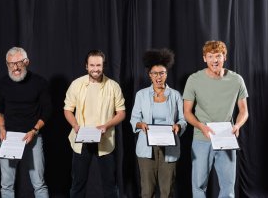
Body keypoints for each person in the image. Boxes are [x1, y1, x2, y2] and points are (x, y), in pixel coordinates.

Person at [183, 40, 249, 198]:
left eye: (218, 56)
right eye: (210, 56)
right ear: (204, 58)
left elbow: (244, 110)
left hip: (226, 138)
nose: (215, 60)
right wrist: (201, 126)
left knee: (228, 187)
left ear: (224, 57)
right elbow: (186, 112)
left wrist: (238, 125)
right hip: (201, 138)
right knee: (198, 185)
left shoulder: (237, 80)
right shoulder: (194, 79)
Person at [64, 49, 126, 198]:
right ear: (86, 66)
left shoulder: (113, 86)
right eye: (92, 65)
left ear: (103, 66)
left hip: (105, 140)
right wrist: (75, 125)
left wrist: (107, 125)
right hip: (81, 140)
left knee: (110, 184)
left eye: (98, 65)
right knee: (78, 183)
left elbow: (121, 113)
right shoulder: (76, 84)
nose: (95, 69)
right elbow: (67, 109)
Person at [0, 47, 51, 198]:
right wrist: (1, 128)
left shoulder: (40, 82)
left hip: (33, 136)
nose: (15, 67)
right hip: (9, 138)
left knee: (39, 183)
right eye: (11, 64)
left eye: (19, 63)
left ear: (26, 62)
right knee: (6, 185)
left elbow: (47, 112)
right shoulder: (2, 84)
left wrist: (34, 130)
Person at [130, 49, 187, 198]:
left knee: (167, 191)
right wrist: (140, 125)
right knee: (147, 191)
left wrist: (179, 126)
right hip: (146, 147)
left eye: (162, 73)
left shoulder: (175, 95)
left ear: (166, 74)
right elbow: (134, 118)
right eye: (155, 73)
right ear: (150, 75)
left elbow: (183, 119)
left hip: (169, 146)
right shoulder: (141, 95)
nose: (158, 77)